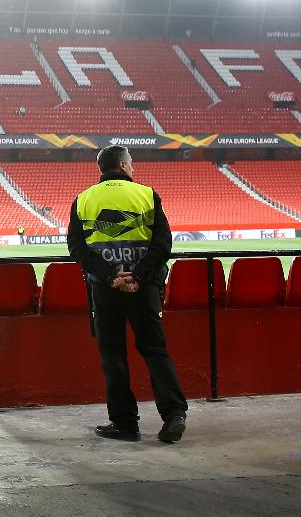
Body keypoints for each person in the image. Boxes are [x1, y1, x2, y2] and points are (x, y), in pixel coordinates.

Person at [68, 145, 188, 444]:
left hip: (105, 290)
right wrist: (138, 275)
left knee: (113, 355)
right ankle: (174, 415)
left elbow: (77, 249)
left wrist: (112, 277)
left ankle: (125, 424)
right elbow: (163, 244)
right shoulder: (147, 195)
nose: (133, 168)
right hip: (144, 288)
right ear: (123, 165)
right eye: (131, 164)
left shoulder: (83, 200)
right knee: (155, 350)